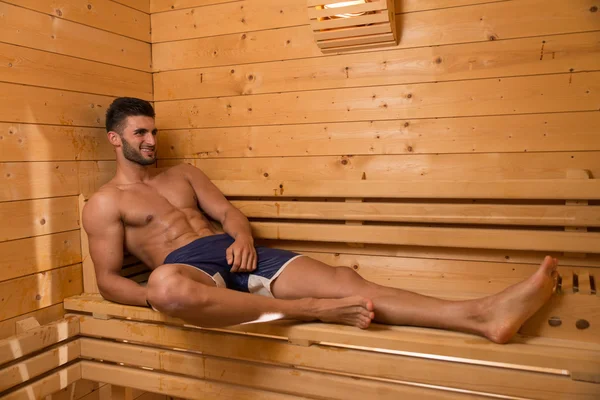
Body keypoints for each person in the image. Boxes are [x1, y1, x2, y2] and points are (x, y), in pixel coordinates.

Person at [82, 97, 559, 344]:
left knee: (348, 281)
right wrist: (164, 298)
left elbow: (227, 213)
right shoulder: (106, 202)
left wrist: (243, 235)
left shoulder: (184, 174)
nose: (151, 140)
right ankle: (309, 310)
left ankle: (481, 316)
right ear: (113, 139)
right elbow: (107, 281)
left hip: (238, 255)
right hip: (191, 269)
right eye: (140, 133)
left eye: (154, 131)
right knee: (165, 288)